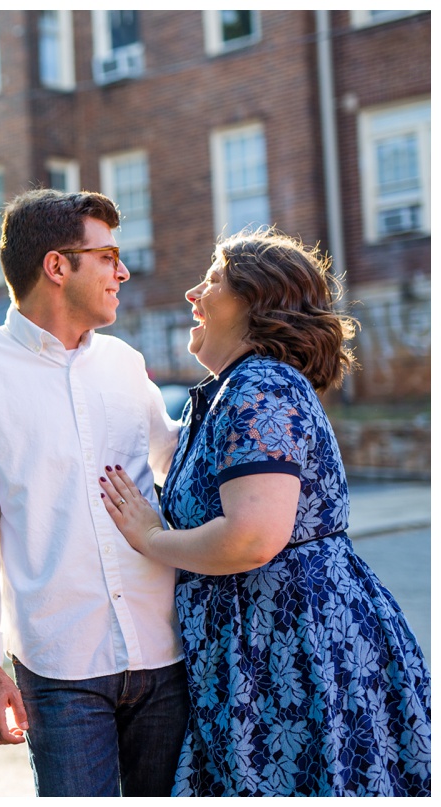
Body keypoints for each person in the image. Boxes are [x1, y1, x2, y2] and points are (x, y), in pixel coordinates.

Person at [98, 229, 431, 796]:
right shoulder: (235, 390)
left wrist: (150, 537)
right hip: (265, 653)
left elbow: (252, 537)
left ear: (254, 303)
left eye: (213, 278)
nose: (192, 292)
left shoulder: (262, 387)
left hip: (293, 658)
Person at [0, 188, 187, 796]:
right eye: (107, 257)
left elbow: (179, 460)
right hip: (59, 664)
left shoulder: (125, 362)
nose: (122, 272)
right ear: (57, 266)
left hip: (164, 649)